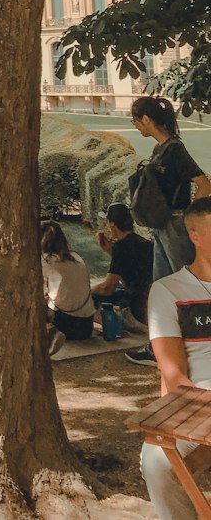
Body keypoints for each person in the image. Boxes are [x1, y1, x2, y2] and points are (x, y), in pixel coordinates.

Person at [126, 95, 211, 367]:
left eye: (136, 121)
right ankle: (160, 346)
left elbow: (203, 184)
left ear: (146, 120)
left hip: (174, 224)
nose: (137, 126)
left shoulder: (174, 149)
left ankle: (196, 343)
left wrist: (187, 216)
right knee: (162, 285)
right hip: (162, 226)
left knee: (183, 283)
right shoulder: (161, 149)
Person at [141, 196, 211, 519]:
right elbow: (174, 377)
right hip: (199, 404)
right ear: (195, 236)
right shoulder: (169, 291)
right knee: (157, 461)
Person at [91, 202, 154, 325]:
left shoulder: (121, 246)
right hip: (148, 298)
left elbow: (107, 288)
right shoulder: (144, 243)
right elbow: (131, 267)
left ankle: (111, 325)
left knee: (92, 295)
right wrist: (110, 251)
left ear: (112, 224)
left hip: (136, 304)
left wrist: (88, 290)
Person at [41, 221, 95, 355]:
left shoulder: (45, 261)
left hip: (64, 323)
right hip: (87, 326)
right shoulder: (77, 257)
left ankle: (50, 331)